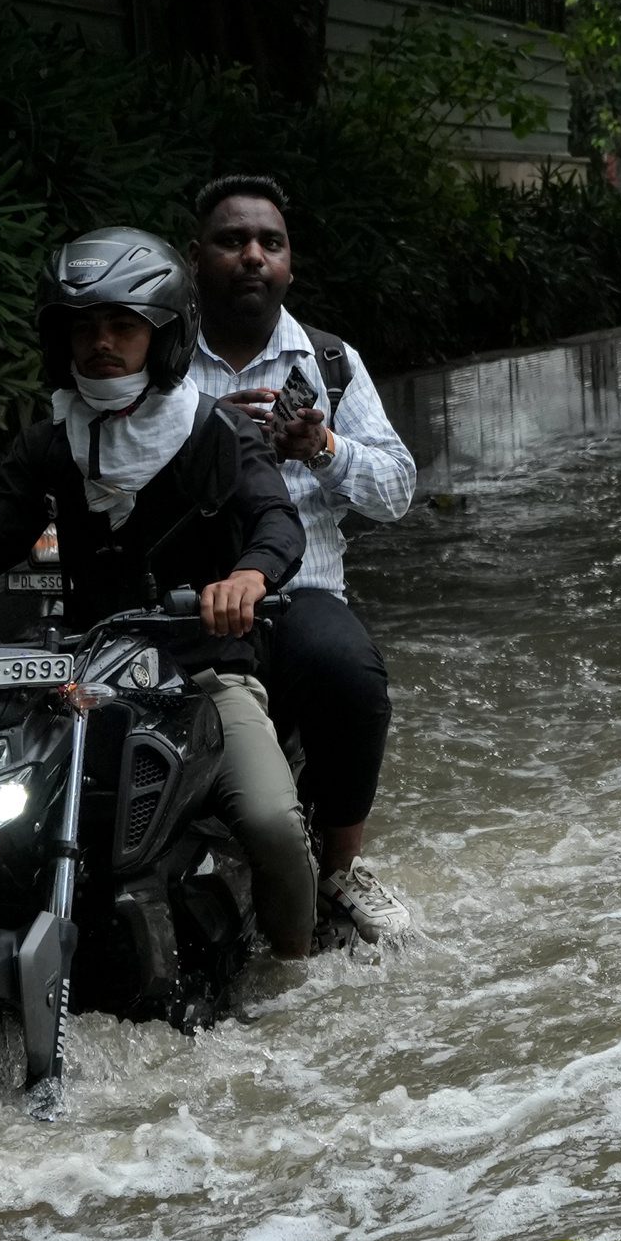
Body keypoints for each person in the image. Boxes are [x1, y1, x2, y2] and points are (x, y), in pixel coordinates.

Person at [0, 228, 314, 955]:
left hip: (205, 672)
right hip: (81, 676)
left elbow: (277, 520)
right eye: (84, 327)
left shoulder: (217, 432)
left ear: (165, 337)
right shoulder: (50, 444)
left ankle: (296, 971)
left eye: (122, 325)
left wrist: (247, 577)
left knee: (272, 822)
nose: (101, 343)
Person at [184, 175, 413, 915]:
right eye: (232, 240)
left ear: (289, 263)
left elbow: (397, 491)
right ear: (195, 258)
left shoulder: (330, 362)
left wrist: (323, 448)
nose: (252, 255)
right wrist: (201, 433)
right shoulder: (157, 360)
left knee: (352, 677)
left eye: (270, 242)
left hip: (298, 595)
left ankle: (342, 870)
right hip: (181, 600)